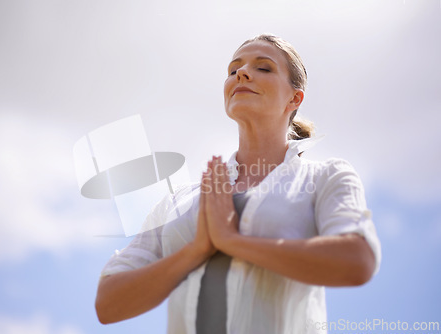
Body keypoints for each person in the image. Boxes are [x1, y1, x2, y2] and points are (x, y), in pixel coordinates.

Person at [95, 34, 381, 334]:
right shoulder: (178, 202)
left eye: (264, 68)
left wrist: (233, 242)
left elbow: (357, 260)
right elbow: (108, 303)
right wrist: (196, 250)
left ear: (295, 98)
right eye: (233, 70)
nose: (241, 73)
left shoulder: (326, 178)